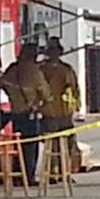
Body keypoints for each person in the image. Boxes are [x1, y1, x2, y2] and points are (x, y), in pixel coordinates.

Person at [1, 42, 50, 182]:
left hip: (15, 113)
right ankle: (29, 176)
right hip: (30, 114)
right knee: (30, 147)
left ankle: (17, 175)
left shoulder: (12, 69)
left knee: (18, 146)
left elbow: (3, 84)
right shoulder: (34, 71)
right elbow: (46, 94)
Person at [40, 37, 82, 170]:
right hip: (49, 112)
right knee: (52, 145)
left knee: (67, 144)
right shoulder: (41, 69)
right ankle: (53, 171)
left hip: (64, 113)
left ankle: (66, 171)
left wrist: (75, 106)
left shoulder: (66, 70)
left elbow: (75, 90)